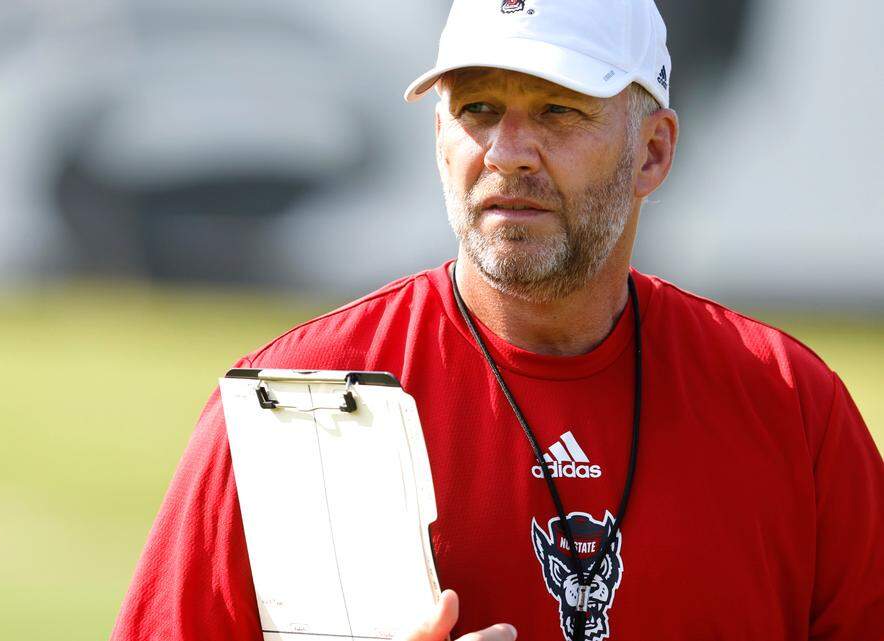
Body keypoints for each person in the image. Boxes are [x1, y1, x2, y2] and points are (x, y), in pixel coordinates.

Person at [111, 0, 884, 639]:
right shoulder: (292, 402)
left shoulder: (791, 409)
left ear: (652, 152)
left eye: (557, 110)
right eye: (478, 108)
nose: (509, 151)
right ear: (439, 138)